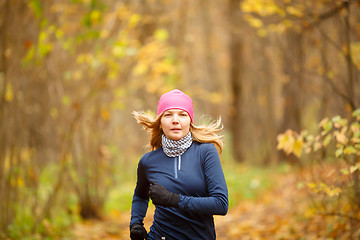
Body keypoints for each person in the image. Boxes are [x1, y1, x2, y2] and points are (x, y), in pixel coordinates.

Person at [129, 89, 228, 240]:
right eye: (168, 115)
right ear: (160, 123)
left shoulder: (205, 152)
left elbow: (220, 204)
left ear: (190, 121)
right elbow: (140, 196)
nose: (175, 120)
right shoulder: (148, 161)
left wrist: (174, 200)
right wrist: (136, 224)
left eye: (182, 114)